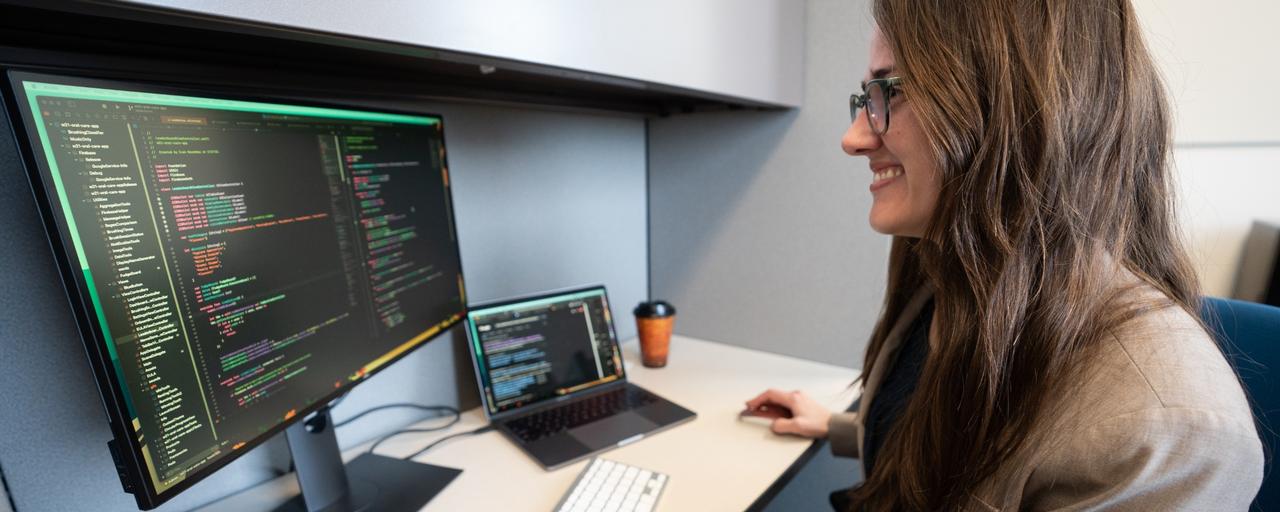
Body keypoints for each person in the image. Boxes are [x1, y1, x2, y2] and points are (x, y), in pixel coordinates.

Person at [744, 0, 1264, 510]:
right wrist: (843, 426)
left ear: (1017, 102)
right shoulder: (952, 263)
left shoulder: (1167, 433)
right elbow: (960, 431)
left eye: (890, 90)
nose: (853, 138)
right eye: (866, 96)